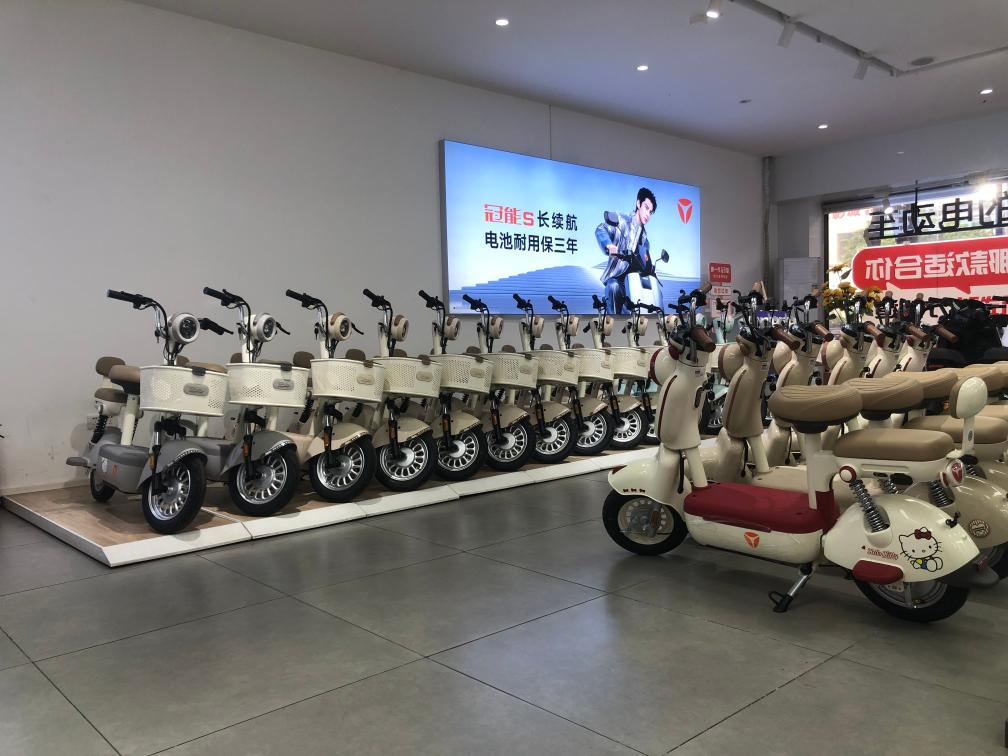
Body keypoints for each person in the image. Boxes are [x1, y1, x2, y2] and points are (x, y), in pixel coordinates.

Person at [596, 187, 657, 314]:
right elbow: (601, 229)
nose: (648, 214)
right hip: (618, 278)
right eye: (646, 208)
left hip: (635, 283)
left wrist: (650, 268)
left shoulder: (645, 241)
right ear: (638, 203)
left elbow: (646, 263)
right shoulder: (622, 220)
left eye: (651, 212)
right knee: (614, 286)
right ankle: (614, 322)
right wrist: (609, 245)